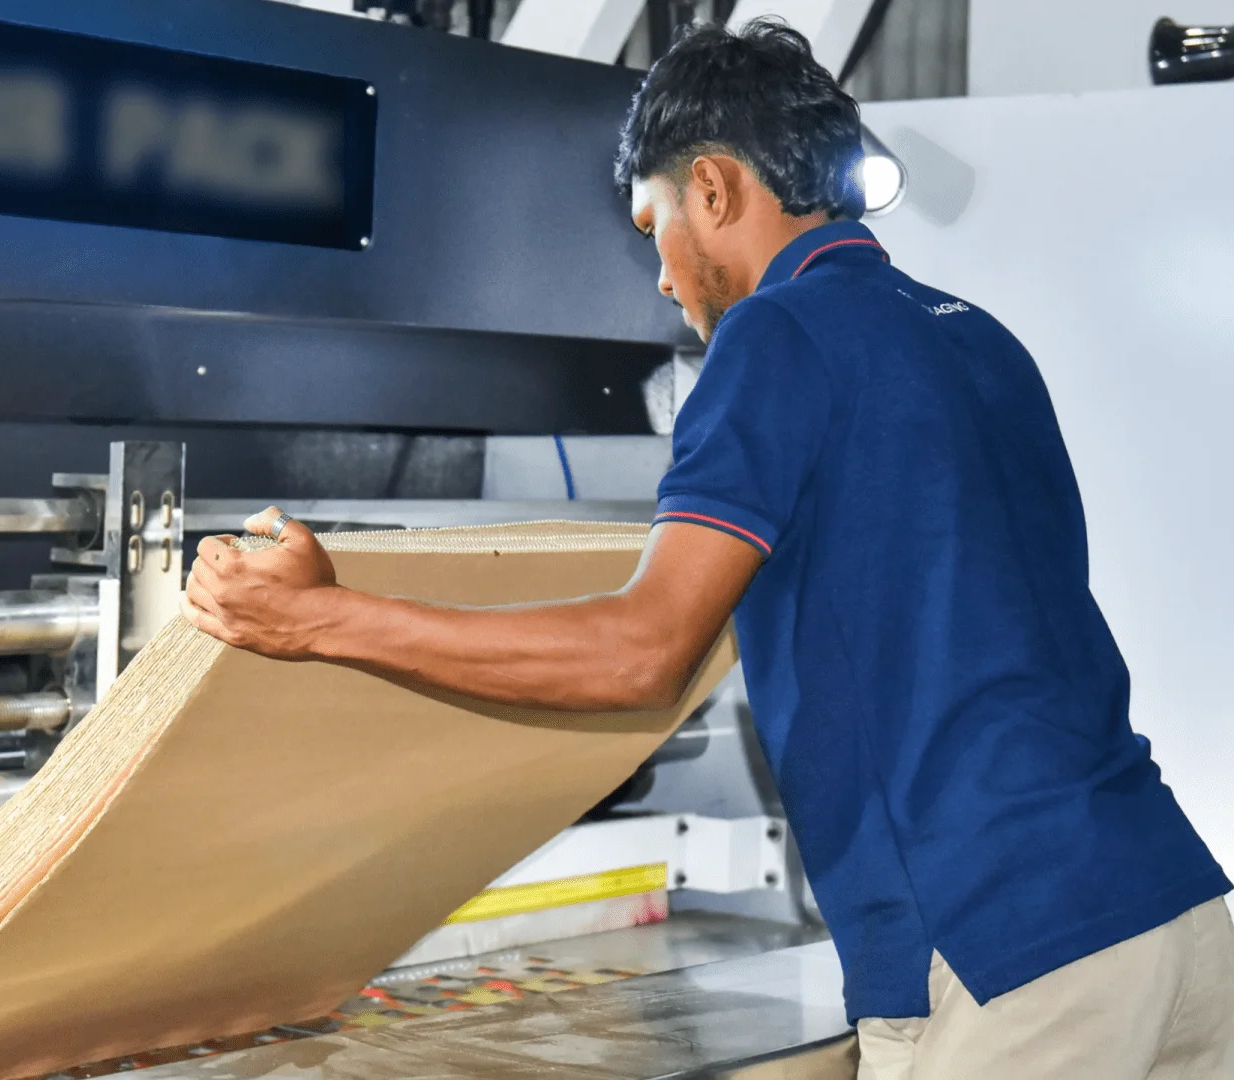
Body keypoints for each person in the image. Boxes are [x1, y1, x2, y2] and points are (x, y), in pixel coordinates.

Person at [179, 19, 1233, 1080]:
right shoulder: (982, 339)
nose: (660, 276)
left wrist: (317, 617)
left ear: (715, 189)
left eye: (654, 225)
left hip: (1010, 951)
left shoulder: (776, 334)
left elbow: (641, 654)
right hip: (1173, 915)